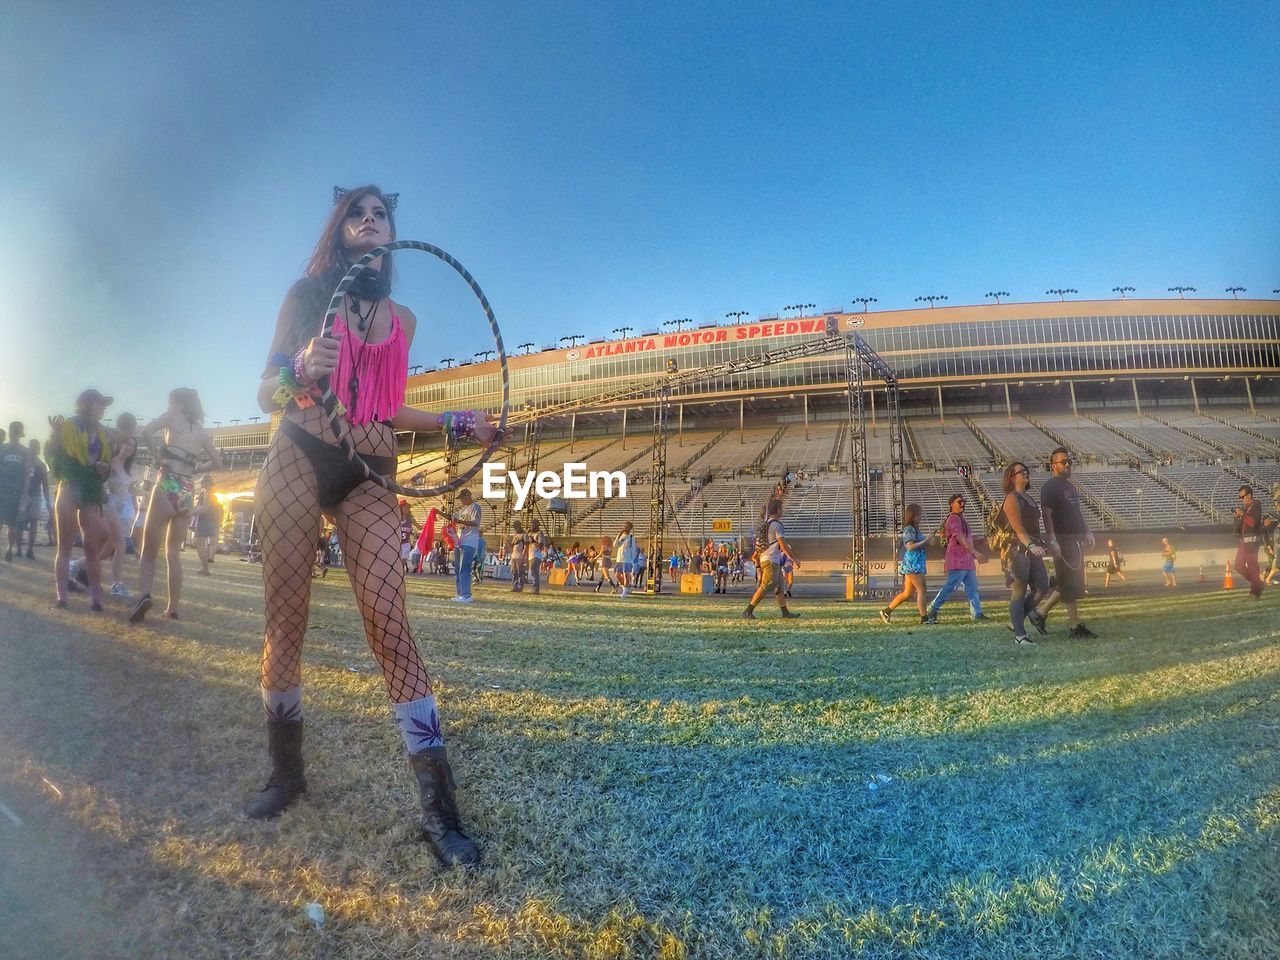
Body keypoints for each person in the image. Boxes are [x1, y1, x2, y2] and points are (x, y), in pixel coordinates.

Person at [246, 185, 497, 865]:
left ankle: (440, 813)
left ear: (389, 234)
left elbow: (385, 409)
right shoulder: (305, 299)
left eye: (378, 214)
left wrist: (456, 422)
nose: (367, 220)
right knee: (286, 619)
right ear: (340, 228)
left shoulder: (403, 320)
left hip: (369, 470)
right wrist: (299, 369)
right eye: (355, 212)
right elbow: (264, 391)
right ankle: (287, 773)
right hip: (299, 450)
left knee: (391, 626)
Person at [130, 388, 224, 622]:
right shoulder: (202, 433)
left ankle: (145, 595)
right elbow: (217, 463)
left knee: (149, 550)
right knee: (173, 552)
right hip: (186, 490)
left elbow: (147, 431)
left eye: (171, 402)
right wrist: (196, 468)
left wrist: (157, 456)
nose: (169, 406)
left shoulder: (171, 417)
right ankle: (172, 608)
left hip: (167, 481)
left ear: (179, 404)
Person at [47, 391, 114, 610]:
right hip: (69, 486)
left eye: (104, 404)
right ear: (87, 405)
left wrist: (105, 468)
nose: (103, 408)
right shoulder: (69, 426)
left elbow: (104, 466)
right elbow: (53, 455)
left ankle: (96, 600)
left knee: (91, 548)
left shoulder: (103, 434)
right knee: (64, 546)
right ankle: (61, 597)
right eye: (100, 403)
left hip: (90, 489)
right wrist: (56, 435)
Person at [1029, 448, 1098, 639]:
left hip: (1074, 539)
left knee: (1070, 582)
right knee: (1070, 582)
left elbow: (1076, 512)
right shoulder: (1050, 487)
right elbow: (1047, 515)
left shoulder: (1071, 487)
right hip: (1062, 540)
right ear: (1053, 466)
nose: (1067, 465)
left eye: (1069, 461)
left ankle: (1040, 613)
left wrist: (1086, 530)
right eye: (1063, 462)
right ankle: (1074, 626)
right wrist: (1052, 541)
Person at [1002, 461, 1049, 645]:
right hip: (1018, 550)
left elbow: (1034, 525)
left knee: (1042, 586)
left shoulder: (1028, 498)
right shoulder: (1012, 498)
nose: (1026, 473)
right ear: (1012, 478)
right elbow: (1017, 527)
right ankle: (1020, 636)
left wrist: (1040, 543)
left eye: (1026, 470)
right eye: (1021, 471)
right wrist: (1030, 545)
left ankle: (1016, 620)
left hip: (1032, 549)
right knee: (1019, 592)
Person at [925, 494, 986, 623]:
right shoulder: (953, 519)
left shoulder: (960, 519)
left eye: (963, 501)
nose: (963, 504)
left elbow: (964, 538)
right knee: (951, 586)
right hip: (958, 559)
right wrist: (975, 552)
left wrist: (976, 541)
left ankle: (977, 613)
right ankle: (933, 607)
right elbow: (959, 537)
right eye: (959, 502)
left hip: (966, 560)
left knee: (972, 587)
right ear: (952, 504)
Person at [743, 498, 800, 620]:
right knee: (767, 585)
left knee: (779, 587)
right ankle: (748, 610)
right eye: (782, 508)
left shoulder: (767, 523)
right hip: (771, 559)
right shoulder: (777, 525)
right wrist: (794, 559)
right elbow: (783, 546)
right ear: (778, 510)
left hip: (766, 558)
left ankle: (785, 613)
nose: (782, 510)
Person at [881, 502, 929, 624]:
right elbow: (910, 546)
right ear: (913, 515)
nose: (921, 517)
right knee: (922, 590)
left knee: (908, 593)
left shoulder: (915, 529)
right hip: (913, 564)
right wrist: (925, 541)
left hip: (916, 562)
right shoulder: (909, 529)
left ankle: (886, 611)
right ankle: (924, 618)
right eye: (919, 514)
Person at [0, 421, 32, 562]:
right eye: (14, 431)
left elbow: (26, 473)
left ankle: (9, 548)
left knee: (12, 524)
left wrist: (24, 493)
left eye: (16, 432)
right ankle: (8, 549)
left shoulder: (25, 451)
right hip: (2, 490)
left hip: (15, 493)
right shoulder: (2, 449)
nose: (15, 434)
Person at [1232, 485, 1264, 599]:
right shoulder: (1246, 507)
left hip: (1252, 541)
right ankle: (1257, 584)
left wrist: (1242, 514)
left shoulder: (1256, 506)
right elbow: (1242, 525)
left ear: (1249, 495)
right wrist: (1237, 517)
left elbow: (1252, 522)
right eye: (1240, 497)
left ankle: (1254, 593)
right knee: (1238, 565)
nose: (1241, 499)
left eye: (1243, 497)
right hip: (1243, 541)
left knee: (1252, 567)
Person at [21, 439, 51, 559]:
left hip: (35, 496)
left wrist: (48, 501)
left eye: (35, 447)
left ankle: (29, 549)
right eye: (33, 447)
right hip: (26, 496)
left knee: (32, 522)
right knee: (21, 523)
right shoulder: (25, 462)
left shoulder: (41, 465)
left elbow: (45, 484)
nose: (34, 449)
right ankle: (19, 548)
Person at [450, 489, 482, 602]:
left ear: (468, 496)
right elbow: (457, 521)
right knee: (458, 568)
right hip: (460, 541)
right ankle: (460, 593)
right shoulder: (463, 509)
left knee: (464, 568)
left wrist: (460, 521)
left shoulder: (475, 507)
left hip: (469, 541)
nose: (462, 501)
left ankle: (466, 595)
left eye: (463, 498)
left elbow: (475, 523)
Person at [193, 482, 224, 577]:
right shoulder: (207, 494)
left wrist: (191, 511)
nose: (201, 483)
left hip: (205, 522)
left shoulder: (207, 494)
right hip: (210, 522)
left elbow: (204, 509)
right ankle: (205, 567)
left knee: (200, 545)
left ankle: (206, 569)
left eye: (203, 481)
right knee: (206, 545)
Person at [613, 521, 636, 598]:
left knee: (626, 575)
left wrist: (632, 561)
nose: (626, 528)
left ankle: (624, 593)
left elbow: (633, 549)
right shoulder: (620, 536)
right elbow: (615, 545)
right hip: (619, 559)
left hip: (627, 560)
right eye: (625, 526)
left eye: (628, 527)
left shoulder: (632, 538)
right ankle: (625, 588)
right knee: (617, 574)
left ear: (630, 528)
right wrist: (619, 534)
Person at [509, 519, 528, 591]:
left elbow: (526, 546)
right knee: (514, 572)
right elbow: (512, 546)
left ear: (519, 526)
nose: (514, 529)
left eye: (515, 527)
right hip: (514, 556)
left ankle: (520, 587)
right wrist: (507, 541)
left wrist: (523, 556)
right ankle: (515, 586)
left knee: (520, 572)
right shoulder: (515, 535)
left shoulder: (524, 535)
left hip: (520, 556)